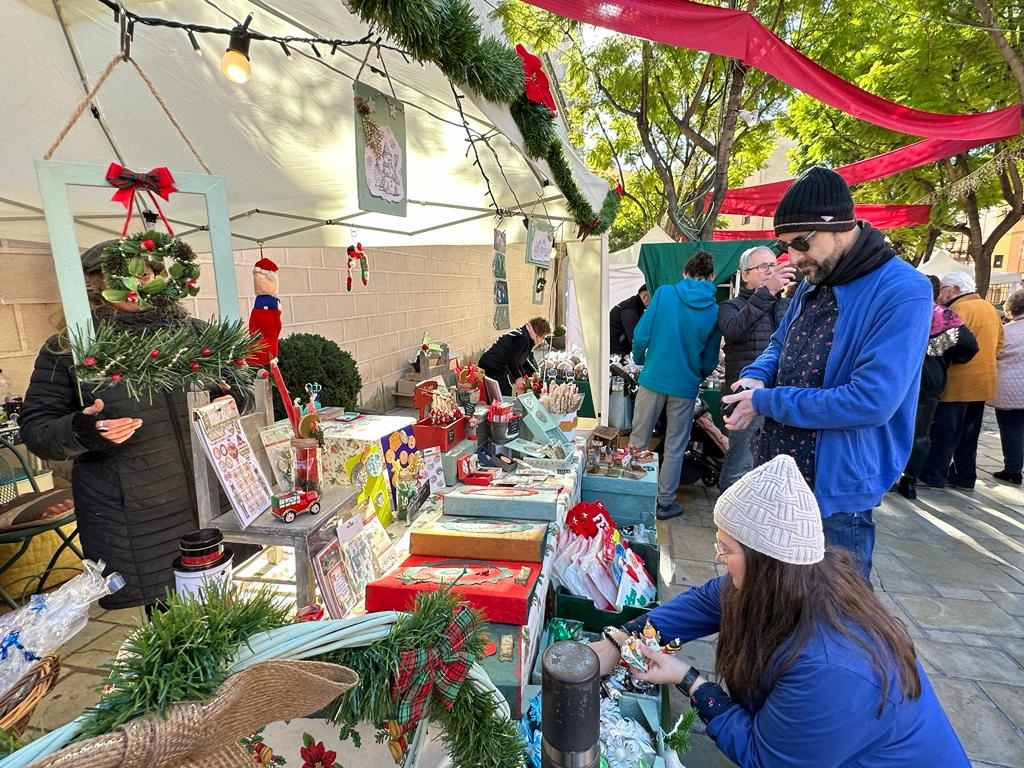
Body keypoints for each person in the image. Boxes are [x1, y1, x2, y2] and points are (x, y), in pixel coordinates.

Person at [590, 455, 970, 768]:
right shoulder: (794, 581)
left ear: (764, 562)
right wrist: (618, 642)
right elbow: (702, 603)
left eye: (727, 549)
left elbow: (765, 758)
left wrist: (691, 681)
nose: (718, 558)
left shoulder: (830, 668)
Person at [722, 166, 932, 581]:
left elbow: (870, 401)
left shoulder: (902, 289)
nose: (794, 258)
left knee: (834, 610)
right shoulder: (813, 277)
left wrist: (765, 400)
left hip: (834, 491)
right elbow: (780, 344)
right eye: (786, 246)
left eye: (801, 243)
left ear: (839, 226)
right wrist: (757, 377)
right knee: (770, 597)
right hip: (780, 473)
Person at [19, 240, 251, 612]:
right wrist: (84, 430)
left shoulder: (196, 335)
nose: (135, 285)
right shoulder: (70, 348)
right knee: (169, 616)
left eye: (145, 274)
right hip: (135, 518)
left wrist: (232, 399)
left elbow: (243, 386)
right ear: (97, 283)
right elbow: (37, 430)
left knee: (226, 602)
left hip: (212, 499)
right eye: (119, 276)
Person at [629, 251, 721, 520]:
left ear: (685, 273)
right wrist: (696, 375)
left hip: (653, 377)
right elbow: (710, 358)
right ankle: (665, 502)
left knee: (638, 439)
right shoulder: (715, 311)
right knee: (675, 446)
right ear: (712, 277)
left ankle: (632, 495)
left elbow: (641, 334)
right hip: (685, 385)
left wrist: (640, 359)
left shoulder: (664, 293)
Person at [716, 245, 795, 490]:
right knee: (740, 463)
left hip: (780, 396)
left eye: (773, 265)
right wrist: (767, 293)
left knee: (774, 466)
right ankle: (727, 510)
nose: (770, 271)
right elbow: (734, 330)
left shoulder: (788, 306)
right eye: (763, 267)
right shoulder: (730, 306)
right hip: (746, 397)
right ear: (745, 274)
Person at [893, 275, 978, 499]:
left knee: (889, 425)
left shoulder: (900, 309)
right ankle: (909, 482)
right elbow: (969, 345)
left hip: (898, 374)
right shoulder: (945, 315)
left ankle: (888, 475)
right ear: (937, 293)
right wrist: (942, 354)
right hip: (930, 377)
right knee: (920, 432)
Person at [919, 271, 1005, 489]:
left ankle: (934, 475)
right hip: (983, 382)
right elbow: (1000, 344)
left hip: (958, 382)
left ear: (956, 289)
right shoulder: (990, 308)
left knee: (945, 432)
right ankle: (965, 475)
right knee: (969, 433)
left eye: (944, 290)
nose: (941, 296)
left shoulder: (958, 309)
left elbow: (947, 345)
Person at [989, 288, 1024, 484]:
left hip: (1010, 390)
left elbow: (995, 353)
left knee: (1011, 428)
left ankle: (1013, 469)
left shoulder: (1006, 331)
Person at [477, 316, 551, 395]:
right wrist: (518, 378)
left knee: (503, 391)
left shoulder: (525, 335)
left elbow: (521, 359)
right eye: (543, 336)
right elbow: (511, 358)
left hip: (492, 364)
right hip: (492, 365)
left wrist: (533, 372)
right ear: (537, 331)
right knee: (502, 393)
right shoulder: (523, 338)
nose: (542, 340)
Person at [609, 284, 650, 356]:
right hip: (616, 356)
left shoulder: (634, 306)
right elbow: (635, 338)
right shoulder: (630, 309)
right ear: (644, 296)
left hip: (619, 353)